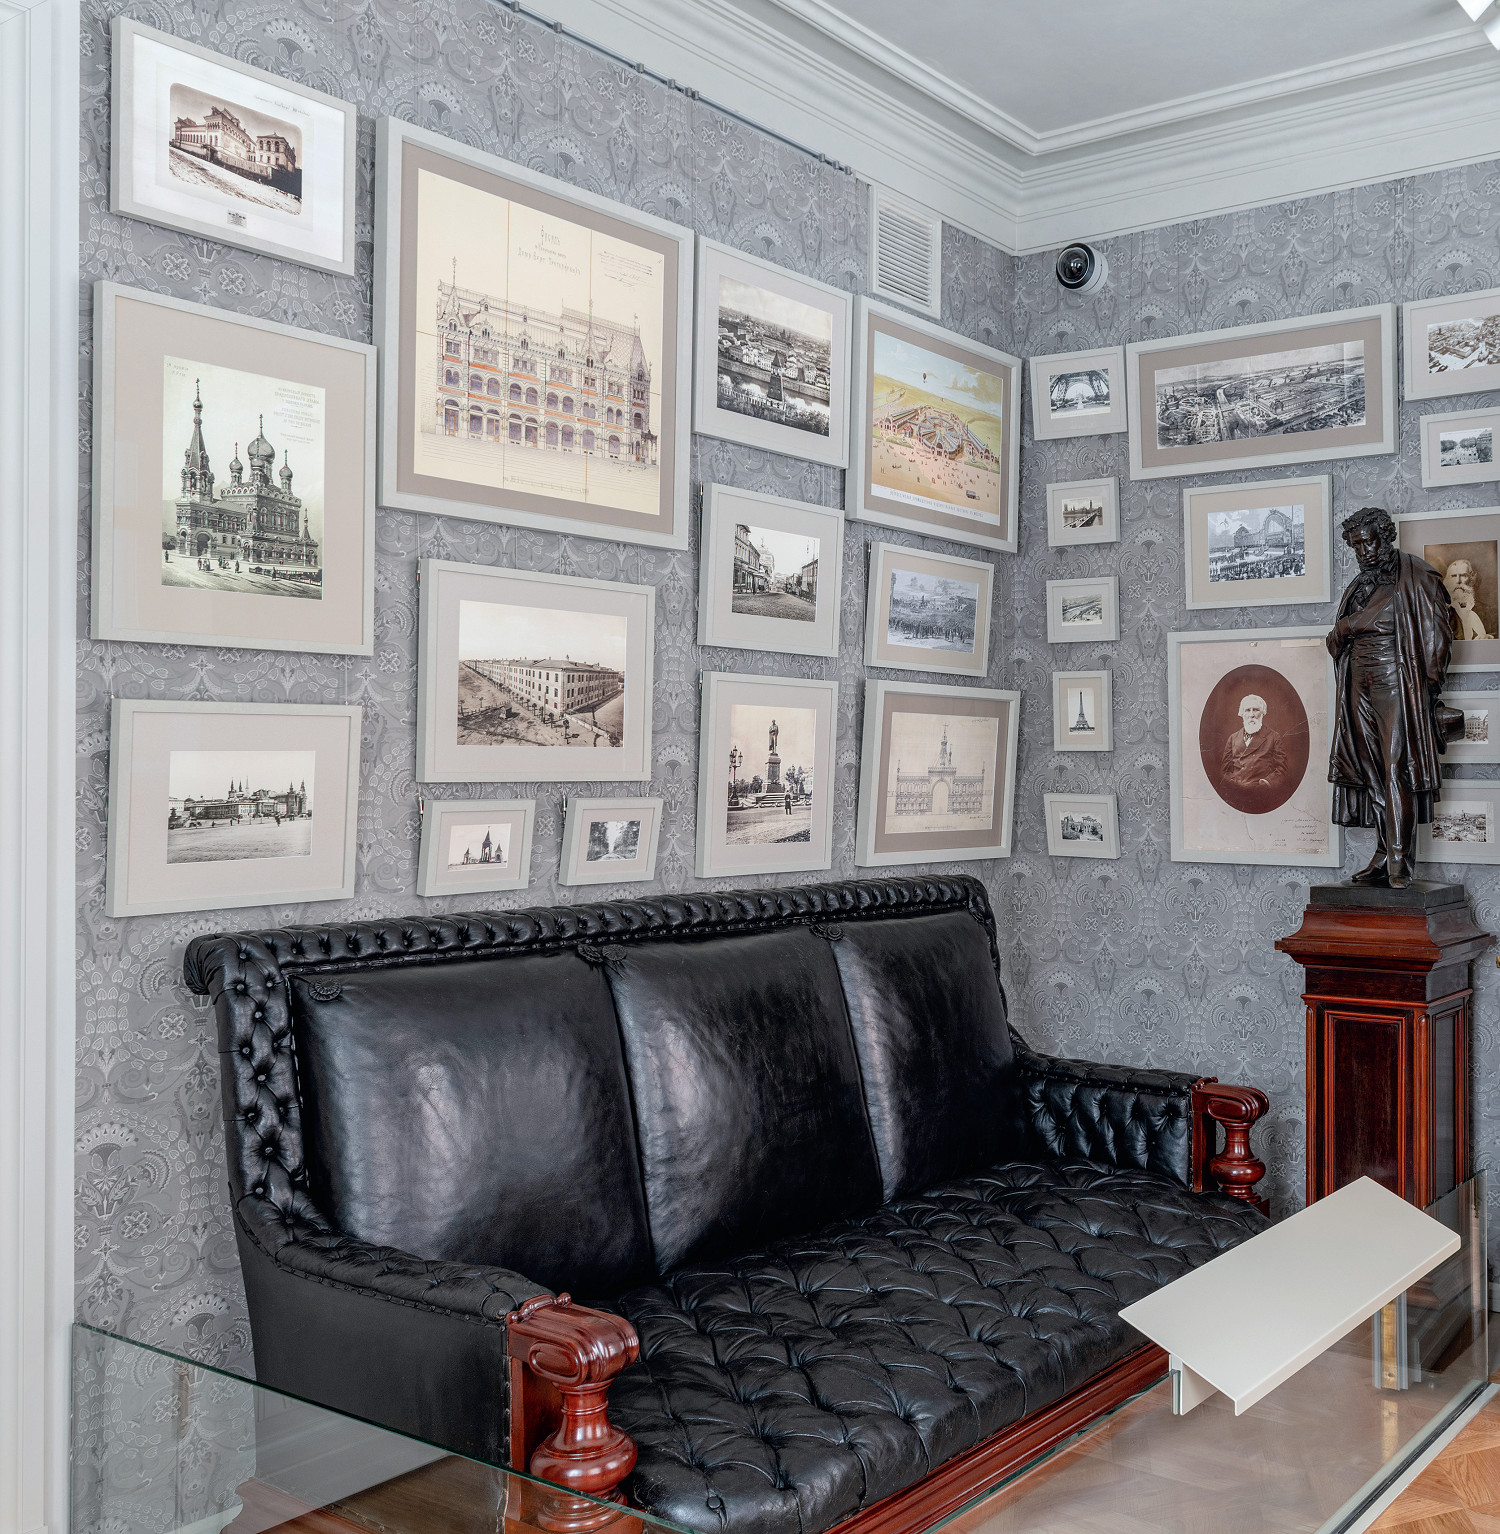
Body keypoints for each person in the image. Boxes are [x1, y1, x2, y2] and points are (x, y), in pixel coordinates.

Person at [1327, 507, 1458, 887]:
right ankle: (1384, 854)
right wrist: (1344, 630)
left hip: (1396, 681)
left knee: (1395, 767)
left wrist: (1427, 690)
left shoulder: (1417, 576)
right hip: (1357, 681)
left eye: (1368, 542)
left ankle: (1401, 861)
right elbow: (1338, 641)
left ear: (1385, 536)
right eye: (1356, 546)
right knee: (1370, 769)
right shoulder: (1360, 584)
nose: (1363, 551)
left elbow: (1438, 637)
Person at [1221, 695, 1286, 791]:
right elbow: (1225, 771)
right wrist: (1234, 785)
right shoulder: (1233, 738)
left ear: (1262, 713)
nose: (1251, 715)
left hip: (1261, 791)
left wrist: (1264, 784)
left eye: (1255, 710)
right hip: (1236, 790)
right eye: (1247, 710)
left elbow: (1281, 770)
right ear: (1242, 714)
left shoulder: (1274, 737)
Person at [1443, 558, 1491, 640]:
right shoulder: (1441, 613)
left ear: (1472, 579)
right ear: (1447, 581)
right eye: (1453, 576)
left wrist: (1490, 637)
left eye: (1463, 575)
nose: (1458, 581)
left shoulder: (1488, 611)